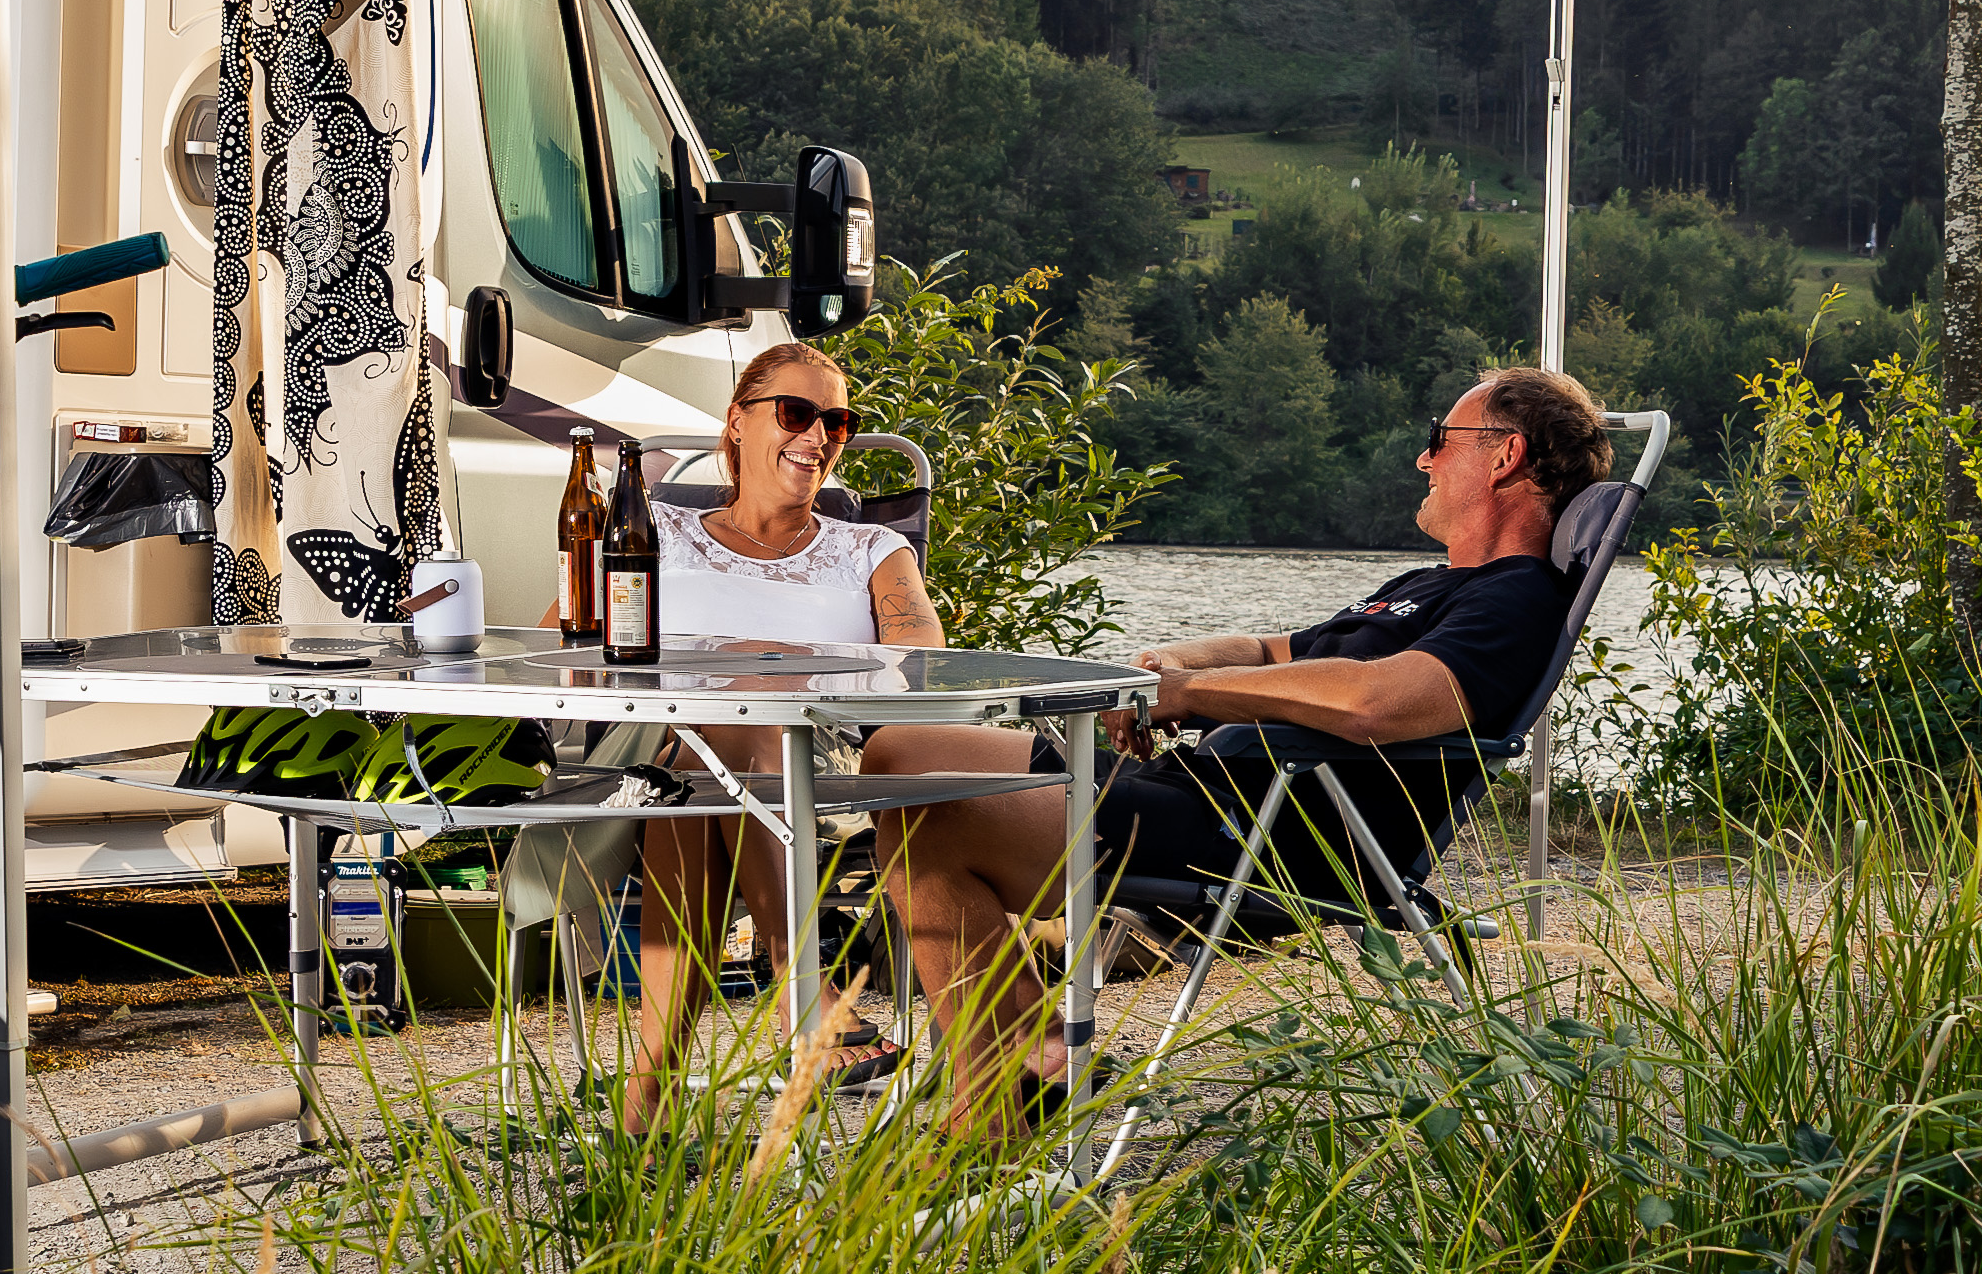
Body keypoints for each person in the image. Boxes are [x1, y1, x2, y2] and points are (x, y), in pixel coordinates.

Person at [869, 364, 1606, 1127]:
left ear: (1504, 455)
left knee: (934, 814)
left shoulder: (1515, 599)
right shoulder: (1426, 584)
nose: (1424, 460)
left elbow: (1376, 703)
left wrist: (1191, 698)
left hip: (1266, 834)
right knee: (900, 751)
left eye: (1438, 440)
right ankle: (1041, 1045)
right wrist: (1176, 664)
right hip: (1206, 788)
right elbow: (1268, 649)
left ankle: (998, 1099)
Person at [594, 335, 939, 1135]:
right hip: (645, 744)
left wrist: (773, 669)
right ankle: (803, 997)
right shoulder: (655, 534)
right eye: (796, 413)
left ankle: (651, 1091)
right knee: (712, 735)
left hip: (819, 758)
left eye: (837, 422)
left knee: (728, 735)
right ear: (738, 424)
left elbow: (922, 663)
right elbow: (567, 646)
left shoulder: (870, 548)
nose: (818, 437)